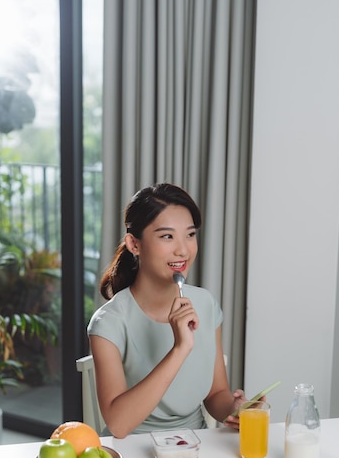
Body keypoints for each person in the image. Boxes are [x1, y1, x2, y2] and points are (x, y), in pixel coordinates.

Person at [87, 183, 247, 437]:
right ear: (134, 244)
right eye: (167, 236)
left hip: (196, 447)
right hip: (134, 452)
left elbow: (216, 394)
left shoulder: (205, 304)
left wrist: (236, 408)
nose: (183, 249)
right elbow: (118, 425)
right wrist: (180, 349)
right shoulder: (108, 323)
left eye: (190, 234)